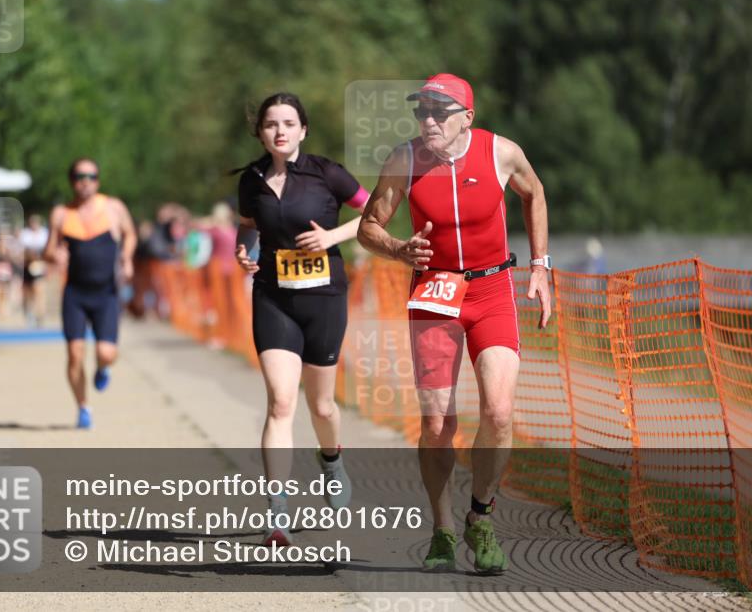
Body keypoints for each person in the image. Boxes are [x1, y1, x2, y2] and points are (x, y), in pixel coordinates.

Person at [357, 73, 552, 574]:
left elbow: (535, 194)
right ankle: (442, 529)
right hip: (435, 292)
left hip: (491, 290)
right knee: (437, 423)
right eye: (421, 111)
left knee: (500, 412)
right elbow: (368, 226)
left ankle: (481, 516)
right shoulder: (403, 160)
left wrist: (541, 267)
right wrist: (399, 250)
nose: (428, 121)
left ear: (468, 116)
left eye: (439, 112)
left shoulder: (501, 153)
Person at [234, 92, 370, 547]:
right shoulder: (251, 180)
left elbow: (374, 211)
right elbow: (249, 225)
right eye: (271, 124)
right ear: (261, 133)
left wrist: (332, 235)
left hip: (324, 299)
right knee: (280, 402)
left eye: (289, 123)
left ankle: (331, 459)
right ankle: (277, 512)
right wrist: (243, 249)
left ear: (303, 130)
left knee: (323, 407)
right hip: (273, 298)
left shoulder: (326, 172)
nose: (280, 131)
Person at [43, 158, 136, 429]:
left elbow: (130, 235)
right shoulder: (61, 214)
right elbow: (48, 249)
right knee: (74, 353)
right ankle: (83, 407)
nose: (86, 181)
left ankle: (102, 367)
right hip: (75, 293)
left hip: (106, 293)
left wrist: (127, 258)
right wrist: (54, 254)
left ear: (98, 180)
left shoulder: (113, 208)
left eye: (91, 176)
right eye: (80, 176)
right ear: (72, 181)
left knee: (107, 353)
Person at [18, 214, 50, 327]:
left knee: (39, 291)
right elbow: (21, 252)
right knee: (28, 293)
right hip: (27, 267)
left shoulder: (44, 234)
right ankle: (29, 313)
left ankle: (40, 315)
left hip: (39, 267)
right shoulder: (25, 234)